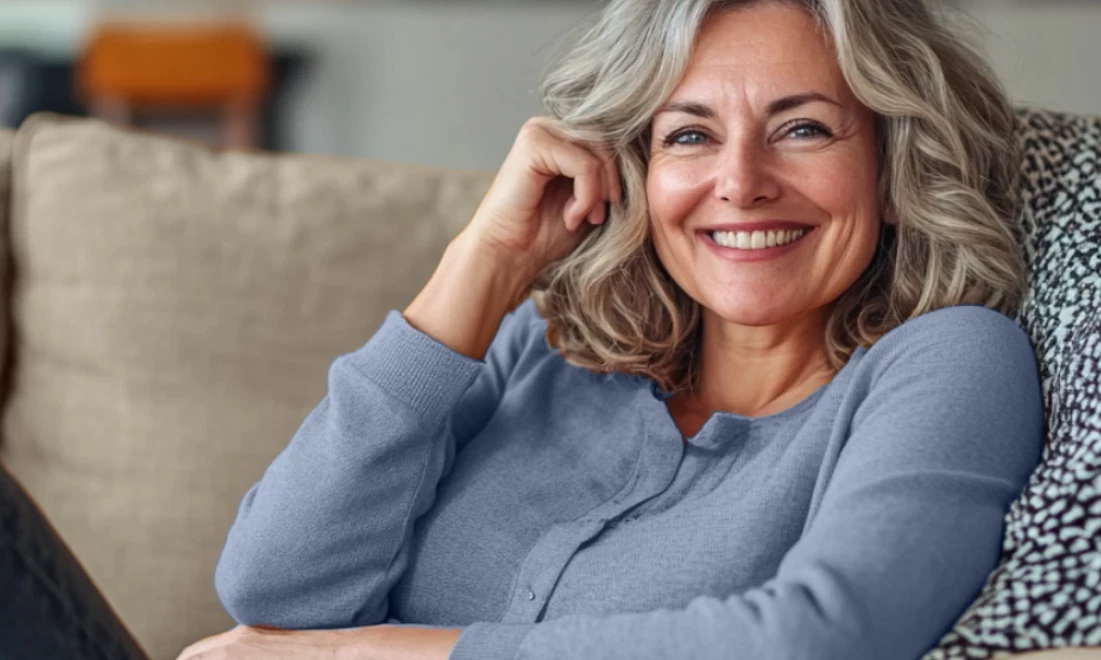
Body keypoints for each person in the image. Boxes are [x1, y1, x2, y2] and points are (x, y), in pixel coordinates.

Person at [0, 0, 1042, 659]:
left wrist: (377, 658)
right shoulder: (554, 344)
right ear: (634, 171)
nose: (739, 183)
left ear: (893, 168)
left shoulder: (946, 362)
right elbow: (274, 585)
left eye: (803, 127)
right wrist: (482, 266)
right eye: (689, 134)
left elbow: (823, 638)